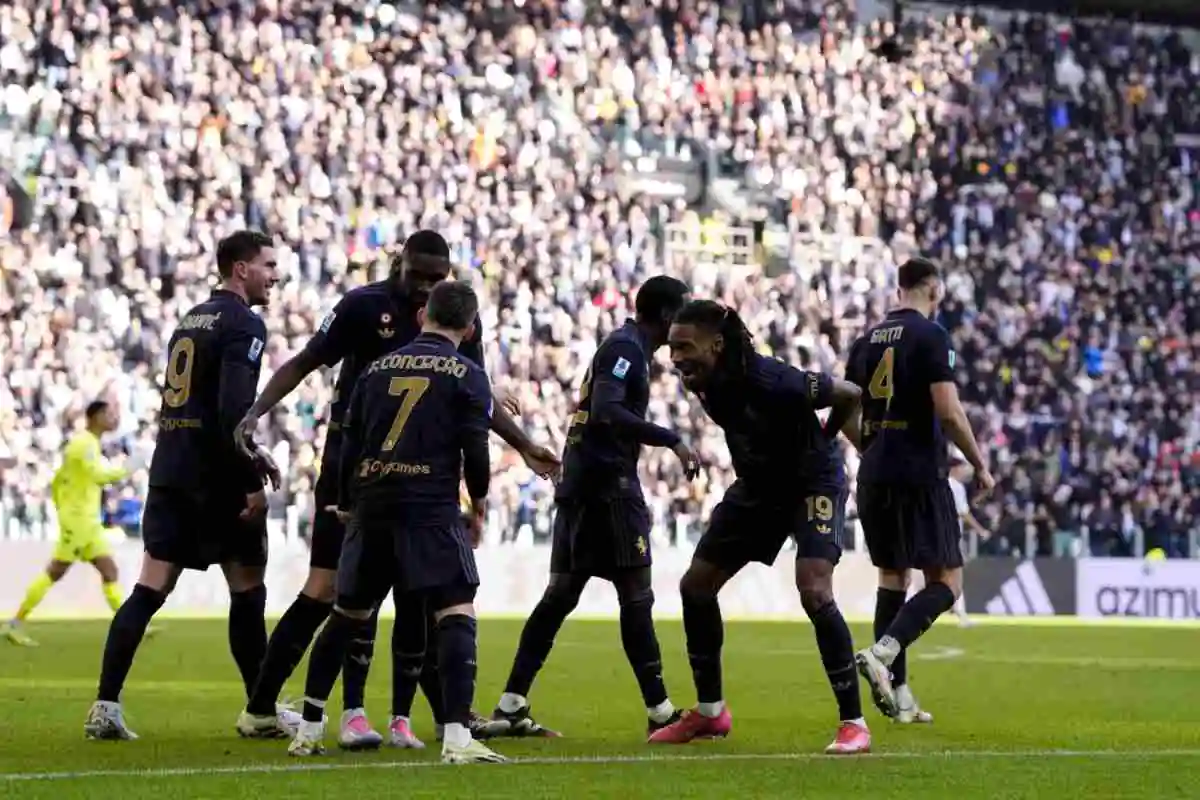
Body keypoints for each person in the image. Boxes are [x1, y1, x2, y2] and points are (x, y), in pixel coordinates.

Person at [234, 230, 556, 748]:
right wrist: (256, 411)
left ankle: (434, 717)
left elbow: (472, 396)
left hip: (419, 475)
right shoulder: (364, 306)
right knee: (330, 589)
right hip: (354, 465)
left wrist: (523, 445)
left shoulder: (455, 314)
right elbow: (304, 361)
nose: (427, 288)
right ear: (397, 262)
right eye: (418, 276)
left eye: (436, 278)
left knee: (416, 595)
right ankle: (266, 706)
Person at [288, 280, 504, 765]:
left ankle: (308, 728)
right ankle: (456, 738)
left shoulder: (376, 369)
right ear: (469, 328)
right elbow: (477, 452)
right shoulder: (468, 374)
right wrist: (481, 503)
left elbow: (347, 439)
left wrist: (347, 500)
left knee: (347, 615)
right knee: (455, 612)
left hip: (372, 504)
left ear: (424, 314)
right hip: (428, 508)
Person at [649, 300, 871, 755]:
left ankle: (854, 723)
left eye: (684, 347)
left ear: (717, 344)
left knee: (814, 590)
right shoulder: (704, 380)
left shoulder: (771, 378)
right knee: (696, 586)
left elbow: (848, 392)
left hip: (812, 482)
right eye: (672, 348)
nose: (676, 358)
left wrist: (822, 446)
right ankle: (711, 713)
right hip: (759, 488)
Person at [84, 230, 282, 740]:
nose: (275, 276)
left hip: (171, 469)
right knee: (248, 591)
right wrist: (250, 480)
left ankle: (105, 705)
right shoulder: (245, 325)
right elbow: (231, 415)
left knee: (148, 589)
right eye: (268, 265)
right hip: (215, 479)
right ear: (241, 269)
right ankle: (259, 709)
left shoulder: (190, 319)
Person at [486, 276, 697, 740]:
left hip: (582, 482)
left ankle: (511, 704)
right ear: (666, 316)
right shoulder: (626, 348)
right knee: (636, 594)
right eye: (683, 313)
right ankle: (660, 711)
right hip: (607, 486)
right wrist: (672, 440)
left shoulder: (627, 348)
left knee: (561, 595)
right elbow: (607, 410)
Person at [842, 257, 994, 723]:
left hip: (875, 472)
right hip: (919, 472)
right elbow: (948, 412)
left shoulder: (865, 340)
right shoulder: (932, 336)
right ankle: (884, 653)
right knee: (947, 582)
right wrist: (979, 464)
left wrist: (872, 447)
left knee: (893, 577)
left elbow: (845, 407)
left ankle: (902, 697)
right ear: (934, 288)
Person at [3, 400, 138, 646]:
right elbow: (98, 475)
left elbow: (58, 480)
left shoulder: (88, 444)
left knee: (109, 570)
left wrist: (62, 504)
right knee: (56, 571)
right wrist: (129, 468)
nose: (113, 418)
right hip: (78, 522)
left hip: (87, 521)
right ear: (95, 417)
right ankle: (15, 624)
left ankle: (130, 625)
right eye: (108, 413)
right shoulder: (83, 444)